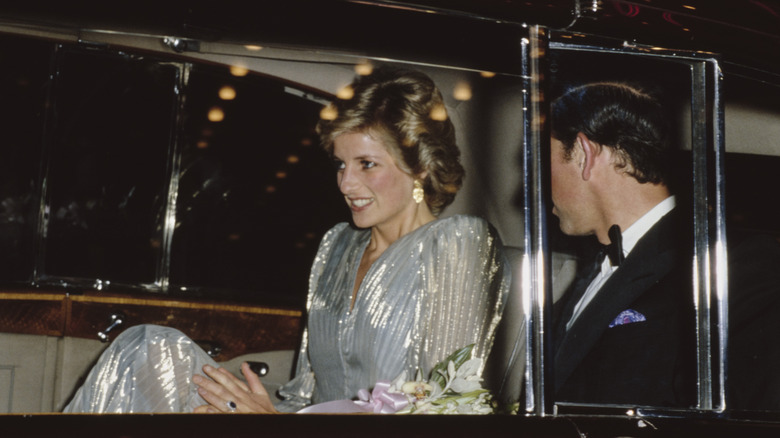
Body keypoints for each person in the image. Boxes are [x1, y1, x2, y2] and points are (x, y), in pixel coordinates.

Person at [63, 66, 509, 414]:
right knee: (149, 346)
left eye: (366, 164)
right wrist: (253, 407)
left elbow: (448, 405)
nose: (346, 183)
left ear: (421, 167)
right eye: (339, 164)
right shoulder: (338, 246)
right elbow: (305, 390)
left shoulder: (457, 243)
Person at [549, 81, 780, 410]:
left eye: (546, 162)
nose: (538, 183)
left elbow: (752, 411)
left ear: (585, 154)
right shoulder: (592, 269)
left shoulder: (735, 261)